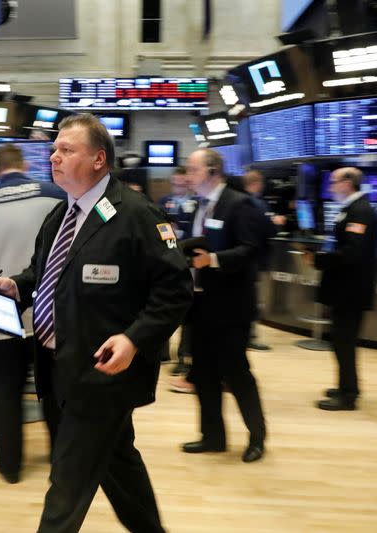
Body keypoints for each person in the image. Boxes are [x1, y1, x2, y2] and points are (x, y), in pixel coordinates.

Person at [0, 113, 192, 533]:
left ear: (99, 159)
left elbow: (176, 288)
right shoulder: (60, 215)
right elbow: (44, 275)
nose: (54, 156)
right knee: (118, 465)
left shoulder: (136, 214)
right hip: (57, 368)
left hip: (100, 375)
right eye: (55, 148)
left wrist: (135, 338)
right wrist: (16, 286)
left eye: (66, 149)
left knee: (66, 487)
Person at [0, 144, 65, 483]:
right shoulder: (53, 195)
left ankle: (9, 467)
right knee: (52, 391)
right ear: (24, 165)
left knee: (6, 393)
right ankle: (61, 461)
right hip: (46, 310)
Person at [180, 148, 268, 464]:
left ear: (213, 171)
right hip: (200, 305)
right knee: (202, 374)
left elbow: (251, 250)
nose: (187, 175)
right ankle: (213, 437)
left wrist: (214, 260)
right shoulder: (196, 206)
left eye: (192, 169)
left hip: (231, 307)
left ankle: (257, 438)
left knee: (237, 374)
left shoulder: (238, 204)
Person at [307, 167, 377, 411]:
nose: (331, 186)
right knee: (340, 342)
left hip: (351, 290)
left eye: (334, 182)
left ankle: (348, 395)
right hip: (344, 288)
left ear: (348, 183)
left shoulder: (360, 211)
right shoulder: (352, 208)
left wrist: (321, 260)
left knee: (345, 343)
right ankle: (345, 386)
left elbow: (352, 253)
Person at [158, 166, 196, 380]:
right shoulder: (164, 202)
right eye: (176, 184)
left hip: (190, 264)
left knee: (188, 313)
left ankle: (184, 357)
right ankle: (161, 351)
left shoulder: (197, 203)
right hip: (167, 261)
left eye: (183, 184)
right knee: (163, 306)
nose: (179, 188)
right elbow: (158, 227)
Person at [241, 168, 280, 351]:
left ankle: (245, 335)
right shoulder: (259, 205)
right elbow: (270, 231)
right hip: (258, 260)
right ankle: (250, 337)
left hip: (245, 260)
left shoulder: (237, 203)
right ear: (256, 184)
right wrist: (277, 223)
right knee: (255, 300)